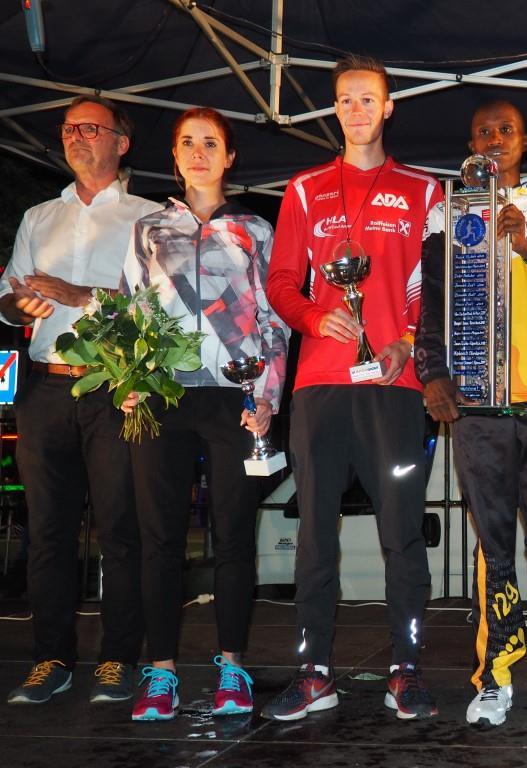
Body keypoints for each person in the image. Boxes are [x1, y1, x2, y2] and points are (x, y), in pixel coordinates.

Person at [262, 53, 441, 722]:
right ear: (334, 109)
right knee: (315, 535)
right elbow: (282, 282)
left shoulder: (424, 190)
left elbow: (433, 285)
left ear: (388, 107)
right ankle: (314, 673)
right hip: (320, 386)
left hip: (395, 384)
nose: (357, 110)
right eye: (346, 100)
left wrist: (408, 342)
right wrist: (314, 317)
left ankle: (406, 669)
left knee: (402, 534)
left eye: (369, 99)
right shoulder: (305, 188)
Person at [416, 100, 527, 727]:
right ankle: (494, 674)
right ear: (471, 144)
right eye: (483, 131)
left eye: (505, 130)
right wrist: (432, 372)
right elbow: (430, 302)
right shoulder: (446, 212)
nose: (494, 139)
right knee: (492, 543)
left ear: (526, 140)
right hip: (476, 400)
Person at [120, 107, 288, 721]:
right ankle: (160, 672)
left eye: (210, 143)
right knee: (159, 538)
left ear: (229, 156)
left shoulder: (254, 230)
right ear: (174, 156)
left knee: (234, 537)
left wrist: (266, 395)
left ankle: (232, 668)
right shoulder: (147, 228)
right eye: (187, 143)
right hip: (162, 396)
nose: (198, 152)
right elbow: (131, 311)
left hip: (233, 399)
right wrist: (129, 379)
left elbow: (275, 320)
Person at [2, 96, 160, 705]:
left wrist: (80, 294)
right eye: (69, 128)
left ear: (122, 141)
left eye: (91, 128)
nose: (76, 136)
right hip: (45, 386)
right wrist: (18, 307)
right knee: (47, 532)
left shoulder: (150, 218)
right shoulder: (39, 216)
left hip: (117, 386)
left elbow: (159, 307)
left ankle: (119, 658)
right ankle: (51, 659)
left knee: (121, 530)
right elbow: (7, 295)